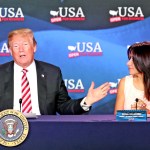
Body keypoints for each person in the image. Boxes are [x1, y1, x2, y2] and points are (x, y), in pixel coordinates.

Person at [0, 28, 110, 115]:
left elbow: (63, 106)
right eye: (15, 46)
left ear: (34, 47)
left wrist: (87, 101)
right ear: (10, 51)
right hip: (8, 131)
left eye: (25, 44)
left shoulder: (52, 73)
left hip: (44, 130)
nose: (21, 49)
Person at [114, 41, 150, 114]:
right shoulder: (125, 82)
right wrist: (136, 113)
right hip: (129, 126)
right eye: (129, 59)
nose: (128, 63)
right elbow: (117, 116)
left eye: (133, 60)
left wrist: (147, 112)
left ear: (145, 61)